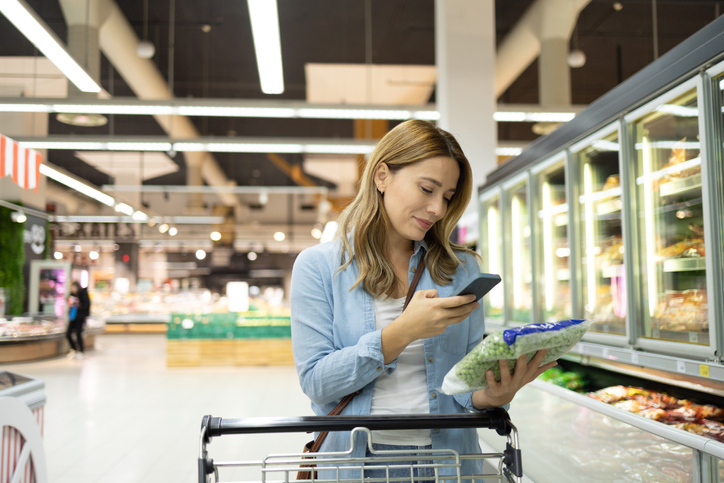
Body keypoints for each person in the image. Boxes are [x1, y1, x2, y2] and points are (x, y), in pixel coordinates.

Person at [290, 119, 558, 480]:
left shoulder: (460, 269)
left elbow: (465, 390)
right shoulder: (320, 267)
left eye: (447, 197)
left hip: (449, 463)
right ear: (382, 176)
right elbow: (317, 382)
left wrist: (493, 395)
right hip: (356, 466)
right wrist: (402, 332)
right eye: (427, 189)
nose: (437, 209)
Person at [67, 281, 90, 360]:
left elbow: (86, 306)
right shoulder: (71, 295)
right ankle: (74, 350)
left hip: (80, 318)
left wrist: (79, 304)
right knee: (68, 333)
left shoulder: (83, 295)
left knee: (78, 334)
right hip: (73, 317)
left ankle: (81, 351)